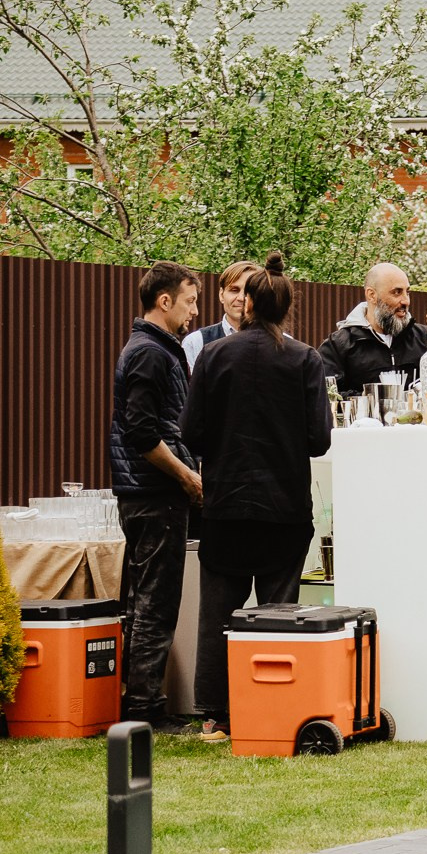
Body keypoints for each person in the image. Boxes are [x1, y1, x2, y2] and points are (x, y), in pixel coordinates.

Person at [181, 253, 333, 744]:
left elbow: (192, 432)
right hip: (285, 508)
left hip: (226, 504)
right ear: (287, 307)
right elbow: (319, 440)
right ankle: (276, 703)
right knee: (279, 612)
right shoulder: (305, 359)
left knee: (216, 615)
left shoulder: (213, 356)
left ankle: (216, 715)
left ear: (247, 303)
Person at [110, 262, 205, 727]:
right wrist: (187, 477)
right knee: (154, 604)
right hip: (154, 494)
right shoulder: (150, 352)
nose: (194, 311)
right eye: (188, 301)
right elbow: (143, 434)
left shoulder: (157, 349)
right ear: (164, 301)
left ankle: (142, 703)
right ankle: (144, 710)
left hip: (148, 493)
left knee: (149, 601)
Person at [319, 261, 427, 395]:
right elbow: (328, 395)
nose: (406, 301)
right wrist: (376, 401)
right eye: (397, 292)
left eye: (407, 292)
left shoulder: (424, 337)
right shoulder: (339, 345)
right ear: (372, 295)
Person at [183, 260, 259, 367]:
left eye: (250, 291)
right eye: (234, 290)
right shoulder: (196, 343)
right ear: (221, 295)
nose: (241, 298)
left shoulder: (282, 344)